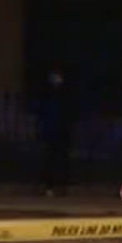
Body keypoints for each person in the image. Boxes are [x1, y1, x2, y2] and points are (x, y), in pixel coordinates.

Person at [39, 67, 71, 195]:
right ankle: (50, 186)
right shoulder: (47, 93)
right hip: (51, 130)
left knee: (61, 160)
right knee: (50, 160)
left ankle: (61, 185)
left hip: (61, 131)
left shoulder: (64, 94)